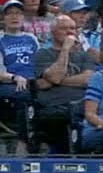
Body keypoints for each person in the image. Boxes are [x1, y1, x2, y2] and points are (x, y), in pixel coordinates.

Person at [33, 15, 95, 154]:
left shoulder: (84, 56)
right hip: (54, 106)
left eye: (72, 28)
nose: (69, 32)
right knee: (61, 118)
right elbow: (55, 77)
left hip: (82, 106)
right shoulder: (43, 54)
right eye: (64, 28)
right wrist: (65, 49)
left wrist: (57, 81)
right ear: (53, 32)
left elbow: (88, 79)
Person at [0, 0, 39, 153]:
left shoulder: (31, 38)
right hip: (9, 83)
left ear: (23, 17)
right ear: (3, 18)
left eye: (18, 13)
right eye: (9, 14)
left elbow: (40, 62)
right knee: (24, 94)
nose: (14, 17)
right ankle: (24, 141)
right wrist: (15, 77)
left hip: (33, 81)